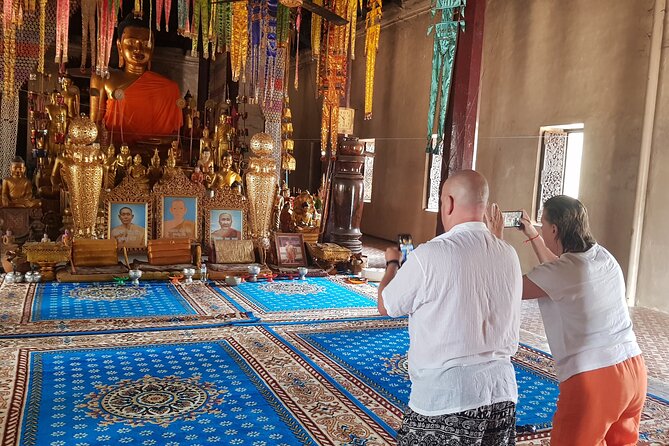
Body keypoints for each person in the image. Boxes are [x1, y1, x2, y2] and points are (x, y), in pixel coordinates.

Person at [378, 170, 522, 445]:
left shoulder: (431, 254)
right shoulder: (508, 253)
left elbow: (386, 304)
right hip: (502, 393)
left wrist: (392, 265)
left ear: (449, 203)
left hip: (447, 396)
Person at [489, 196, 646, 445]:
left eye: (542, 224)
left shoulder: (563, 272)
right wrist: (532, 234)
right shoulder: (603, 257)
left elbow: (506, 288)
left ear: (554, 229)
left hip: (595, 380)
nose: (540, 227)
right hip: (634, 372)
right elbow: (559, 270)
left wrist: (495, 241)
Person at [90, 13, 182, 144]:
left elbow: (176, 135)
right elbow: (94, 127)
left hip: (155, 155)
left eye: (146, 44)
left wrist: (164, 141)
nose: (138, 49)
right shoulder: (102, 79)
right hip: (115, 154)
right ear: (119, 46)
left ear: (153, 48)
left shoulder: (169, 88)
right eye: (131, 43)